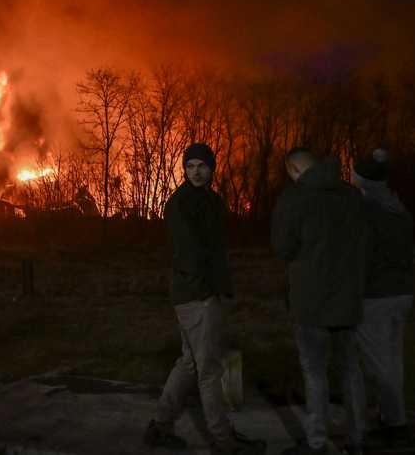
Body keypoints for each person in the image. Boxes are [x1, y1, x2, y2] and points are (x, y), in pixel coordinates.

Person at [144, 143, 266, 454]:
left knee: (189, 363)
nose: (196, 171)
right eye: (190, 166)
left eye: (202, 165)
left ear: (212, 167)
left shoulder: (212, 200)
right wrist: (207, 291)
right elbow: (190, 253)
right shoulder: (180, 203)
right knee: (209, 369)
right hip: (197, 295)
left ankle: (159, 425)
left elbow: (216, 249)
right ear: (183, 170)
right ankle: (223, 442)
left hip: (205, 292)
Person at [271, 148, 368, 455]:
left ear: (295, 170)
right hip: (348, 301)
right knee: (351, 370)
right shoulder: (353, 197)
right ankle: (357, 438)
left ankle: (317, 443)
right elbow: (367, 243)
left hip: (310, 303)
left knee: (315, 374)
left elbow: (283, 247)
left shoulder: (295, 198)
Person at [350, 148, 414, 446]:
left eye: (354, 174)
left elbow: (361, 257)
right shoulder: (397, 208)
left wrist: (352, 291)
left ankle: (393, 423)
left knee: (378, 364)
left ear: (363, 180)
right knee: (392, 359)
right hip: (401, 293)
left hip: (375, 296)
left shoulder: (365, 211)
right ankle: (391, 416)